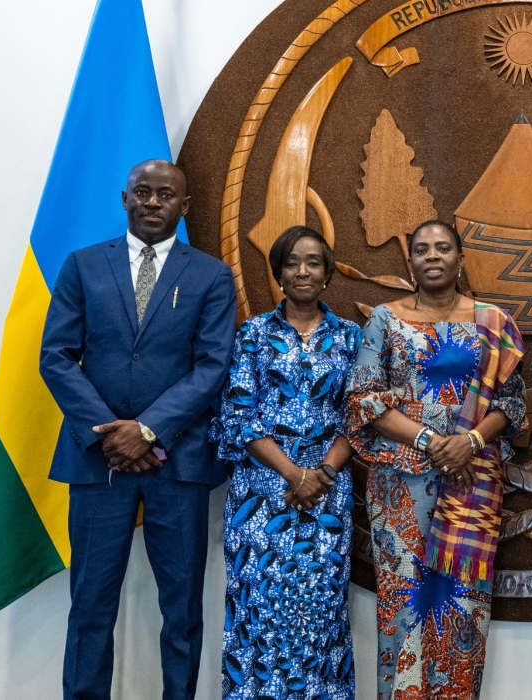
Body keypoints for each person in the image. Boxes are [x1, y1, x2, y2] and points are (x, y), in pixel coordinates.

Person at [40, 159, 236, 700]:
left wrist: (147, 430)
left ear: (184, 207)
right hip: (97, 459)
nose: (153, 203)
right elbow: (56, 356)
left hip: (177, 460)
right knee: (91, 603)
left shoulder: (212, 276)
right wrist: (111, 434)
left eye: (165, 195)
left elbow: (213, 365)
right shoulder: (82, 266)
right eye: (143, 193)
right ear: (124, 199)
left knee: (181, 607)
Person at [345, 220, 527, 700]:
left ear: (460, 258)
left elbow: (512, 402)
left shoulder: (493, 321)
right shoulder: (384, 319)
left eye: (443, 247)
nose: (432, 256)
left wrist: (467, 442)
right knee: (403, 605)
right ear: (410, 263)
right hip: (401, 490)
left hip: (471, 484)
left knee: (462, 606)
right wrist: (431, 440)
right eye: (422, 249)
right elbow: (364, 401)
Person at [210, 226, 360, 700]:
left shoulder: (352, 337)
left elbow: (360, 415)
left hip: (328, 498)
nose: (302, 271)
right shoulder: (253, 333)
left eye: (313, 262)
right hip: (259, 498)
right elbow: (239, 415)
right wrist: (295, 474)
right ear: (277, 273)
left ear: (328, 273)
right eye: (292, 262)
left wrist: (324, 474)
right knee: (260, 612)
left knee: (320, 613)